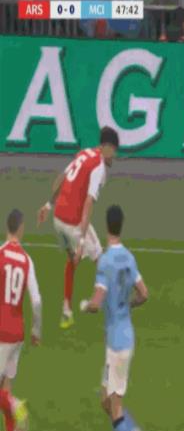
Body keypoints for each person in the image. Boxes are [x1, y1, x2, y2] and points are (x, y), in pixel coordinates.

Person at [36, 126, 119, 329]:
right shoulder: (98, 166)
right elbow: (89, 202)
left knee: (72, 261)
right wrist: (81, 240)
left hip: (58, 219)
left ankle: (66, 312)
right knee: (100, 259)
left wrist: (48, 205)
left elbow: (61, 178)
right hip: (73, 222)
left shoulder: (84, 153)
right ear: (107, 147)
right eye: (114, 150)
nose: (115, 155)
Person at [80, 205, 149, 431]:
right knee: (105, 401)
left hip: (118, 345)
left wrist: (86, 305)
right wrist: (128, 305)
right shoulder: (129, 258)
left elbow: (96, 302)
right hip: (123, 337)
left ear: (106, 226)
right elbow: (144, 294)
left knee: (115, 406)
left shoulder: (106, 261)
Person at [0, 209, 42, 431]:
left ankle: (16, 404)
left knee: (7, 398)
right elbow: (36, 301)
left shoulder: (0, 254)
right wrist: (36, 330)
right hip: (17, 333)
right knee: (6, 387)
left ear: (8, 227)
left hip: (1, 331)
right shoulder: (27, 260)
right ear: (21, 228)